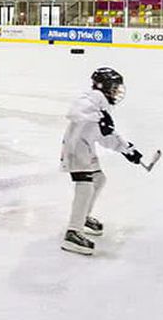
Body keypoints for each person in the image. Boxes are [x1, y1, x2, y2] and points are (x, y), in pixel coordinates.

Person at [59, 68, 144, 256]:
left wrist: (127, 150)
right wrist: (97, 117)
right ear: (104, 87)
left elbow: (105, 135)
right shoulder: (91, 99)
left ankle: (82, 218)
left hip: (85, 147)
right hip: (76, 148)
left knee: (99, 180)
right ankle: (73, 232)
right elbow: (76, 112)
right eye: (114, 88)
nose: (117, 92)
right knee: (85, 186)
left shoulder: (101, 106)